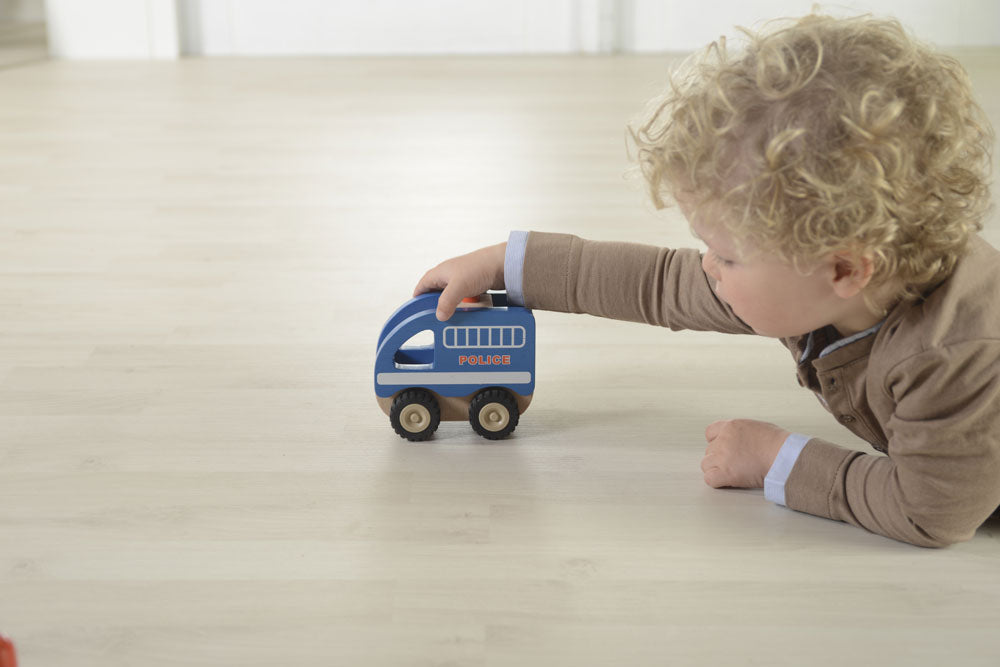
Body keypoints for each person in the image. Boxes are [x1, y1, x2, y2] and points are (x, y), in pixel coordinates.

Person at [413, 14, 998, 547]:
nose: (708, 267)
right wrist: (504, 265)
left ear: (844, 268)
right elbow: (659, 283)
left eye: (726, 256)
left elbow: (929, 512)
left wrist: (776, 457)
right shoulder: (828, 278)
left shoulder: (953, 358)